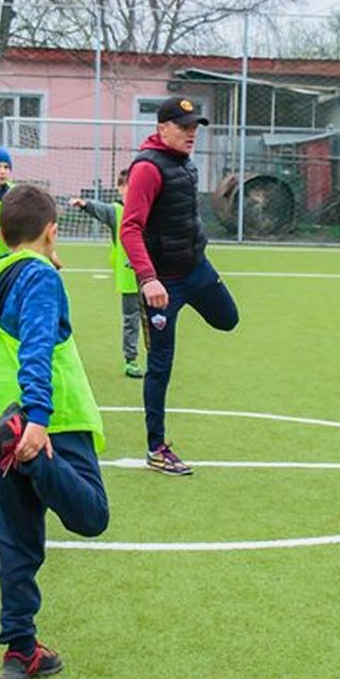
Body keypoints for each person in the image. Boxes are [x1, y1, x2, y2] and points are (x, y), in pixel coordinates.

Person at [0, 185, 110, 679]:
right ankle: (37, 458)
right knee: (92, 515)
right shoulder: (39, 277)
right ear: (52, 231)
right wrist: (38, 418)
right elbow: (37, 343)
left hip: (5, 424)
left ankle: (20, 650)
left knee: (17, 541)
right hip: (48, 422)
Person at [120, 100, 240, 474]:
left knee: (228, 319)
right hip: (163, 285)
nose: (191, 134)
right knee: (160, 366)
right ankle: (156, 449)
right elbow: (130, 228)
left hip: (196, 270)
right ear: (162, 128)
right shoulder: (147, 168)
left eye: (195, 127)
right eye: (184, 127)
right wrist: (148, 278)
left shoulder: (184, 164)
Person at [69, 168, 146, 378]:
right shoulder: (116, 211)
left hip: (152, 275)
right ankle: (131, 359)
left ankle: (157, 356)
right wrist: (85, 204)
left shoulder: (149, 209)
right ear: (120, 188)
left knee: (157, 317)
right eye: (129, 186)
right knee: (131, 318)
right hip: (129, 276)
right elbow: (100, 209)